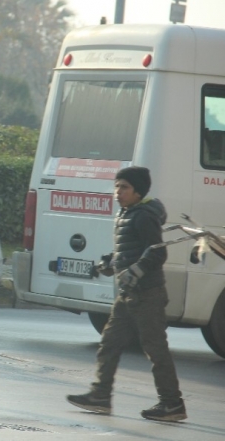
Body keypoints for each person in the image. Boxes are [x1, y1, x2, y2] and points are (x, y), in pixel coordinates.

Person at [67, 166, 187, 422]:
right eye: (117, 186)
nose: (117, 192)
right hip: (128, 294)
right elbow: (131, 250)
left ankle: (172, 404)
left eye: (124, 187)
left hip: (147, 294)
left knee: (155, 350)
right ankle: (100, 397)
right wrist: (111, 263)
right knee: (109, 343)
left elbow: (157, 252)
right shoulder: (127, 213)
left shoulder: (143, 216)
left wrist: (136, 271)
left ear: (138, 191)